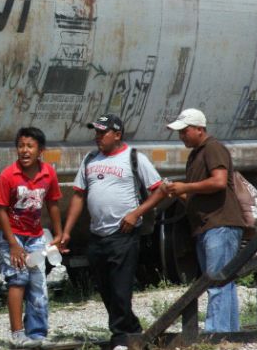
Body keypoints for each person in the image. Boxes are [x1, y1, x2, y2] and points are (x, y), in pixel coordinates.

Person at [60, 114, 168, 350]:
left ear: (117, 134)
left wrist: (135, 213)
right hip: (97, 234)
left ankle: (120, 338)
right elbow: (79, 195)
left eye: (102, 132)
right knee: (106, 288)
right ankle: (134, 331)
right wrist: (66, 231)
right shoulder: (90, 159)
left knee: (121, 288)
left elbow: (160, 190)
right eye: (96, 132)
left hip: (124, 233)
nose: (97, 137)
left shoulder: (134, 158)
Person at [165, 108, 246, 333]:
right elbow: (196, 197)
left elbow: (219, 182)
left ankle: (215, 334)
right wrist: (177, 192)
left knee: (216, 282)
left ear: (200, 129)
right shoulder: (196, 154)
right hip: (208, 225)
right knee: (222, 282)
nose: (181, 136)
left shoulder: (213, 148)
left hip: (220, 224)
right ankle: (227, 334)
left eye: (184, 131)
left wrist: (185, 187)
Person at [0, 127, 63, 349]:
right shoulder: (8, 175)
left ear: (40, 150)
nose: (24, 151)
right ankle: (18, 334)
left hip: (34, 234)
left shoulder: (48, 174)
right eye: (21, 146)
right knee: (17, 280)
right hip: (10, 235)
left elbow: (52, 203)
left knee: (38, 282)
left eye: (29, 146)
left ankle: (37, 333)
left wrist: (59, 233)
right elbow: (1, 210)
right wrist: (13, 244)